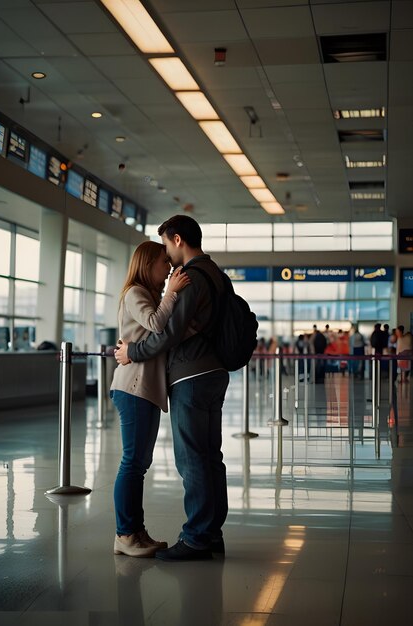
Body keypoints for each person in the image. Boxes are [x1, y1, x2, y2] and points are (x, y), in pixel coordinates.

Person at [115, 214, 230, 561]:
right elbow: (162, 325)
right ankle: (209, 534)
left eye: (166, 247)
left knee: (193, 458)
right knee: (210, 457)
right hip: (213, 372)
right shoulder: (217, 275)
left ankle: (196, 537)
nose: (167, 262)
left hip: (191, 376)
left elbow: (166, 333)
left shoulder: (191, 277)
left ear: (177, 240)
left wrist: (131, 351)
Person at [110, 240, 190, 558]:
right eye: (163, 263)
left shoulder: (147, 295)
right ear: (147, 264)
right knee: (133, 462)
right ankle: (125, 534)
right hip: (134, 388)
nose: (168, 268)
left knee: (139, 463)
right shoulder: (135, 292)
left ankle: (135, 531)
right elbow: (156, 324)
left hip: (143, 388)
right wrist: (172, 292)